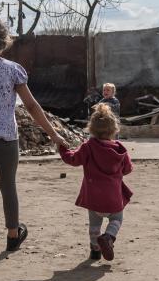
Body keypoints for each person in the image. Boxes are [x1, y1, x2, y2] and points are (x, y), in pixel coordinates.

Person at [0, 15, 68, 266]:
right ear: (3, 41)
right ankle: (12, 235)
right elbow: (31, 106)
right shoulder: (13, 70)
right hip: (7, 140)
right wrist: (54, 134)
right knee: (8, 187)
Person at [57, 103, 133, 261]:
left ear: (91, 128)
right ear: (114, 129)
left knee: (94, 226)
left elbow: (72, 159)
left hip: (93, 196)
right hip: (114, 197)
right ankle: (109, 237)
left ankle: (95, 251)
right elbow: (127, 169)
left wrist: (63, 148)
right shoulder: (120, 149)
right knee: (117, 219)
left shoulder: (88, 147)